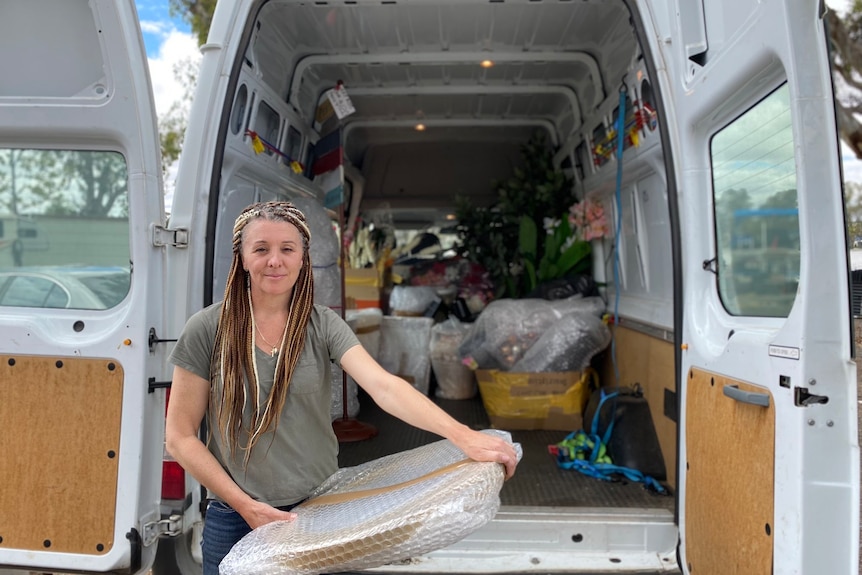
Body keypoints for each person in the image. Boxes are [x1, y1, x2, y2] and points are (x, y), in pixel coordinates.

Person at [165, 201, 518, 574]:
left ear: (303, 259)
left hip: (321, 511)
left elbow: (383, 387)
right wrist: (245, 506)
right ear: (241, 258)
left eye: (288, 249)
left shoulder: (323, 324)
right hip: (234, 514)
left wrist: (463, 436)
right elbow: (180, 436)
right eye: (261, 248)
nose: (275, 260)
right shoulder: (206, 328)